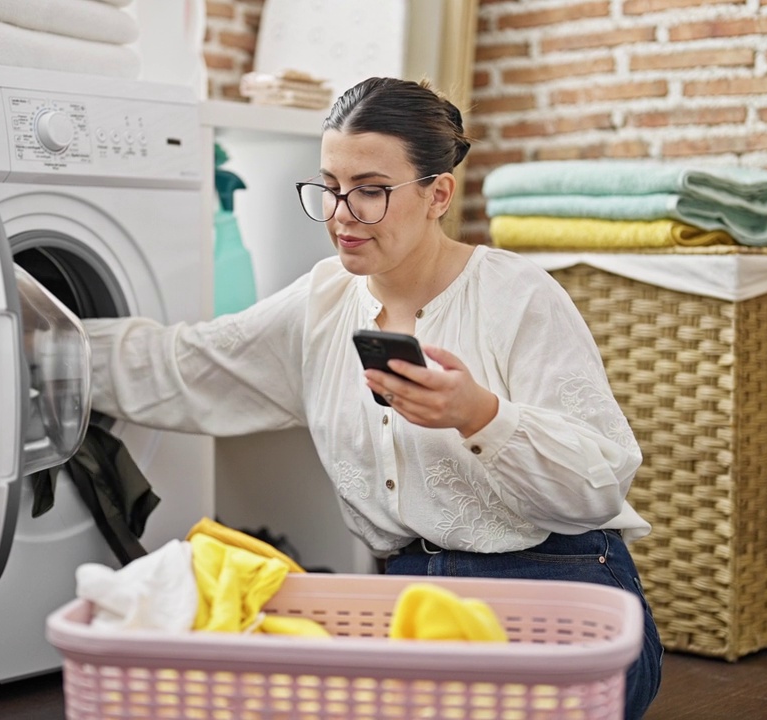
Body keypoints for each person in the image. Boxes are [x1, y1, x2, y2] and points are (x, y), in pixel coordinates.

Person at [83, 76, 662, 719]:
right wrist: (40, 345)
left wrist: (480, 416)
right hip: (411, 597)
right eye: (329, 187)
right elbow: (192, 364)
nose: (340, 215)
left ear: (438, 193)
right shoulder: (323, 300)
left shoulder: (518, 295)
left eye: (370, 191)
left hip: (559, 586)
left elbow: (598, 487)